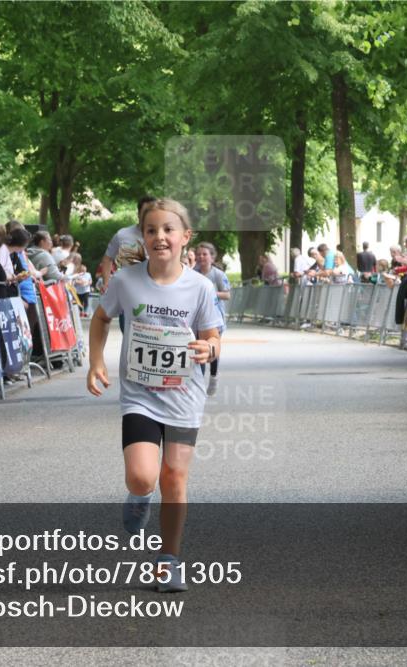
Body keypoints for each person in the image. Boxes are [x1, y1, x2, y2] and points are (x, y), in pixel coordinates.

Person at [87, 198, 221, 593]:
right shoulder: (126, 281)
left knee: (175, 477)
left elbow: (214, 336)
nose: (159, 237)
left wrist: (208, 348)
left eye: (168, 230)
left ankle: (169, 559)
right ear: (141, 237)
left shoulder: (200, 287)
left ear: (185, 237)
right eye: (151, 230)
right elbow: (100, 318)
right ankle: (139, 495)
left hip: (184, 394)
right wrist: (96, 362)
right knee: (145, 477)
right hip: (141, 394)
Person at [194, 242, 230, 396]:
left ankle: (213, 377)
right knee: (196, 347)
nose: (201, 257)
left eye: (205, 254)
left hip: (215, 317)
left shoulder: (218, 275)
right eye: (199, 254)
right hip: (196, 317)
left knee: (211, 349)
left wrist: (210, 293)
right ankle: (198, 382)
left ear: (212, 257)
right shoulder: (192, 272)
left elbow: (227, 294)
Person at [99, 196, 155, 291]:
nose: (149, 215)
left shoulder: (162, 237)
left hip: (153, 288)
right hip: (127, 288)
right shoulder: (122, 234)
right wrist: (106, 283)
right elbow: (107, 258)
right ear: (138, 214)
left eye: (152, 212)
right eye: (145, 212)